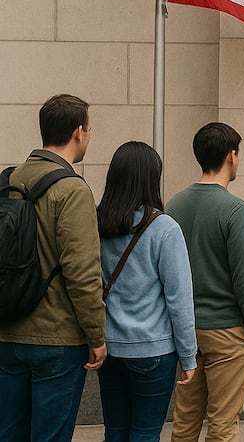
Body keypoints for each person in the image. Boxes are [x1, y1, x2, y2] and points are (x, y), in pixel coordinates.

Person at [0, 93, 106, 441]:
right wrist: (96, 335)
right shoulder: (72, 190)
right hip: (57, 339)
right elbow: (83, 274)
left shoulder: (9, 181)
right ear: (79, 132)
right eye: (89, 130)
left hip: (7, 331)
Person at [166, 122, 244, 442]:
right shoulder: (236, 210)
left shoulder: (174, 205)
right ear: (231, 156)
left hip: (186, 329)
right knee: (223, 424)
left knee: (184, 422)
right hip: (229, 331)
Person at [96, 141, 198, 441]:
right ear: (151, 179)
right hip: (154, 351)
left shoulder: (98, 223)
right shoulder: (165, 228)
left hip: (110, 347)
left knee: (115, 431)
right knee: (145, 433)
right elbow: (179, 299)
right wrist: (189, 356)